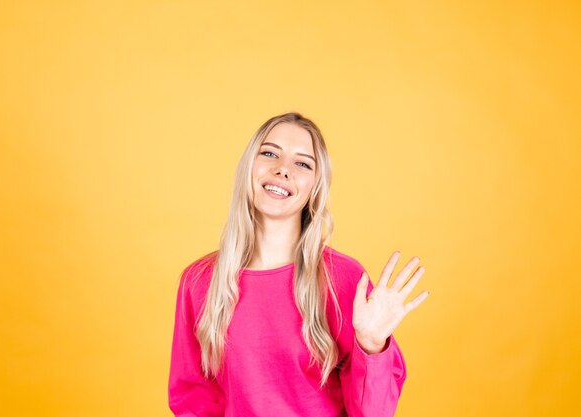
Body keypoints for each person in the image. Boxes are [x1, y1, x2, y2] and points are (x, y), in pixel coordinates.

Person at [168, 112, 429, 417]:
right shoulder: (199, 281)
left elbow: (374, 413)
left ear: (315, 187)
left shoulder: (344, 280)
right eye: (269, 153)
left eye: (302, 163)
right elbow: (194, 400)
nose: (282, 170)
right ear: (248, 167)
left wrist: (371, 346)